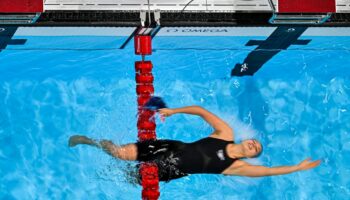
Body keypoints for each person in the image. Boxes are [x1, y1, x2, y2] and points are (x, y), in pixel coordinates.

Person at [69, 105, 321, 182]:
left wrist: (297, 168)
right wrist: (174, 111)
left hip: (172, 171)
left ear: (250, 155)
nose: (254, 144)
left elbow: (268, 171)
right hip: (169, 148)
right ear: (247, 139)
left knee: (128, 179)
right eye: (254, 141)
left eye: (256, 148)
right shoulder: (225, 133)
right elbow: (201, 111)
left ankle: (98, 175)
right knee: (117, 153)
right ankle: (88, 141)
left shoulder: (235, 167)